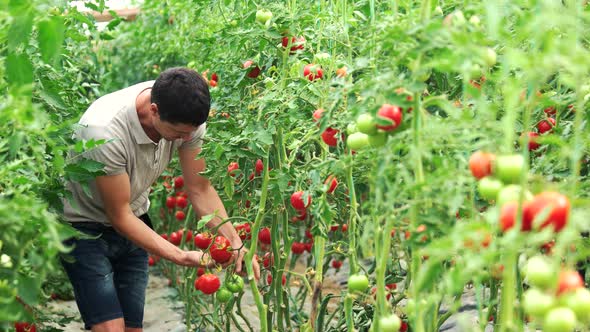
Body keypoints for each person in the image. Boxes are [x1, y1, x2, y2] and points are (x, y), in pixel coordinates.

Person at [61, 67, 261, 332]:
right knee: (109, 328)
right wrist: (180, 256)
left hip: (136, 220)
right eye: (179, 134)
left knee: (133, 328)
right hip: (84, 228)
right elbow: (118, 215)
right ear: (154, 110)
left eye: (192, 132)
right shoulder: (105, 131)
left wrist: (235, 243)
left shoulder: (186, 116)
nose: (186, 139)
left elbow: (200, 189)